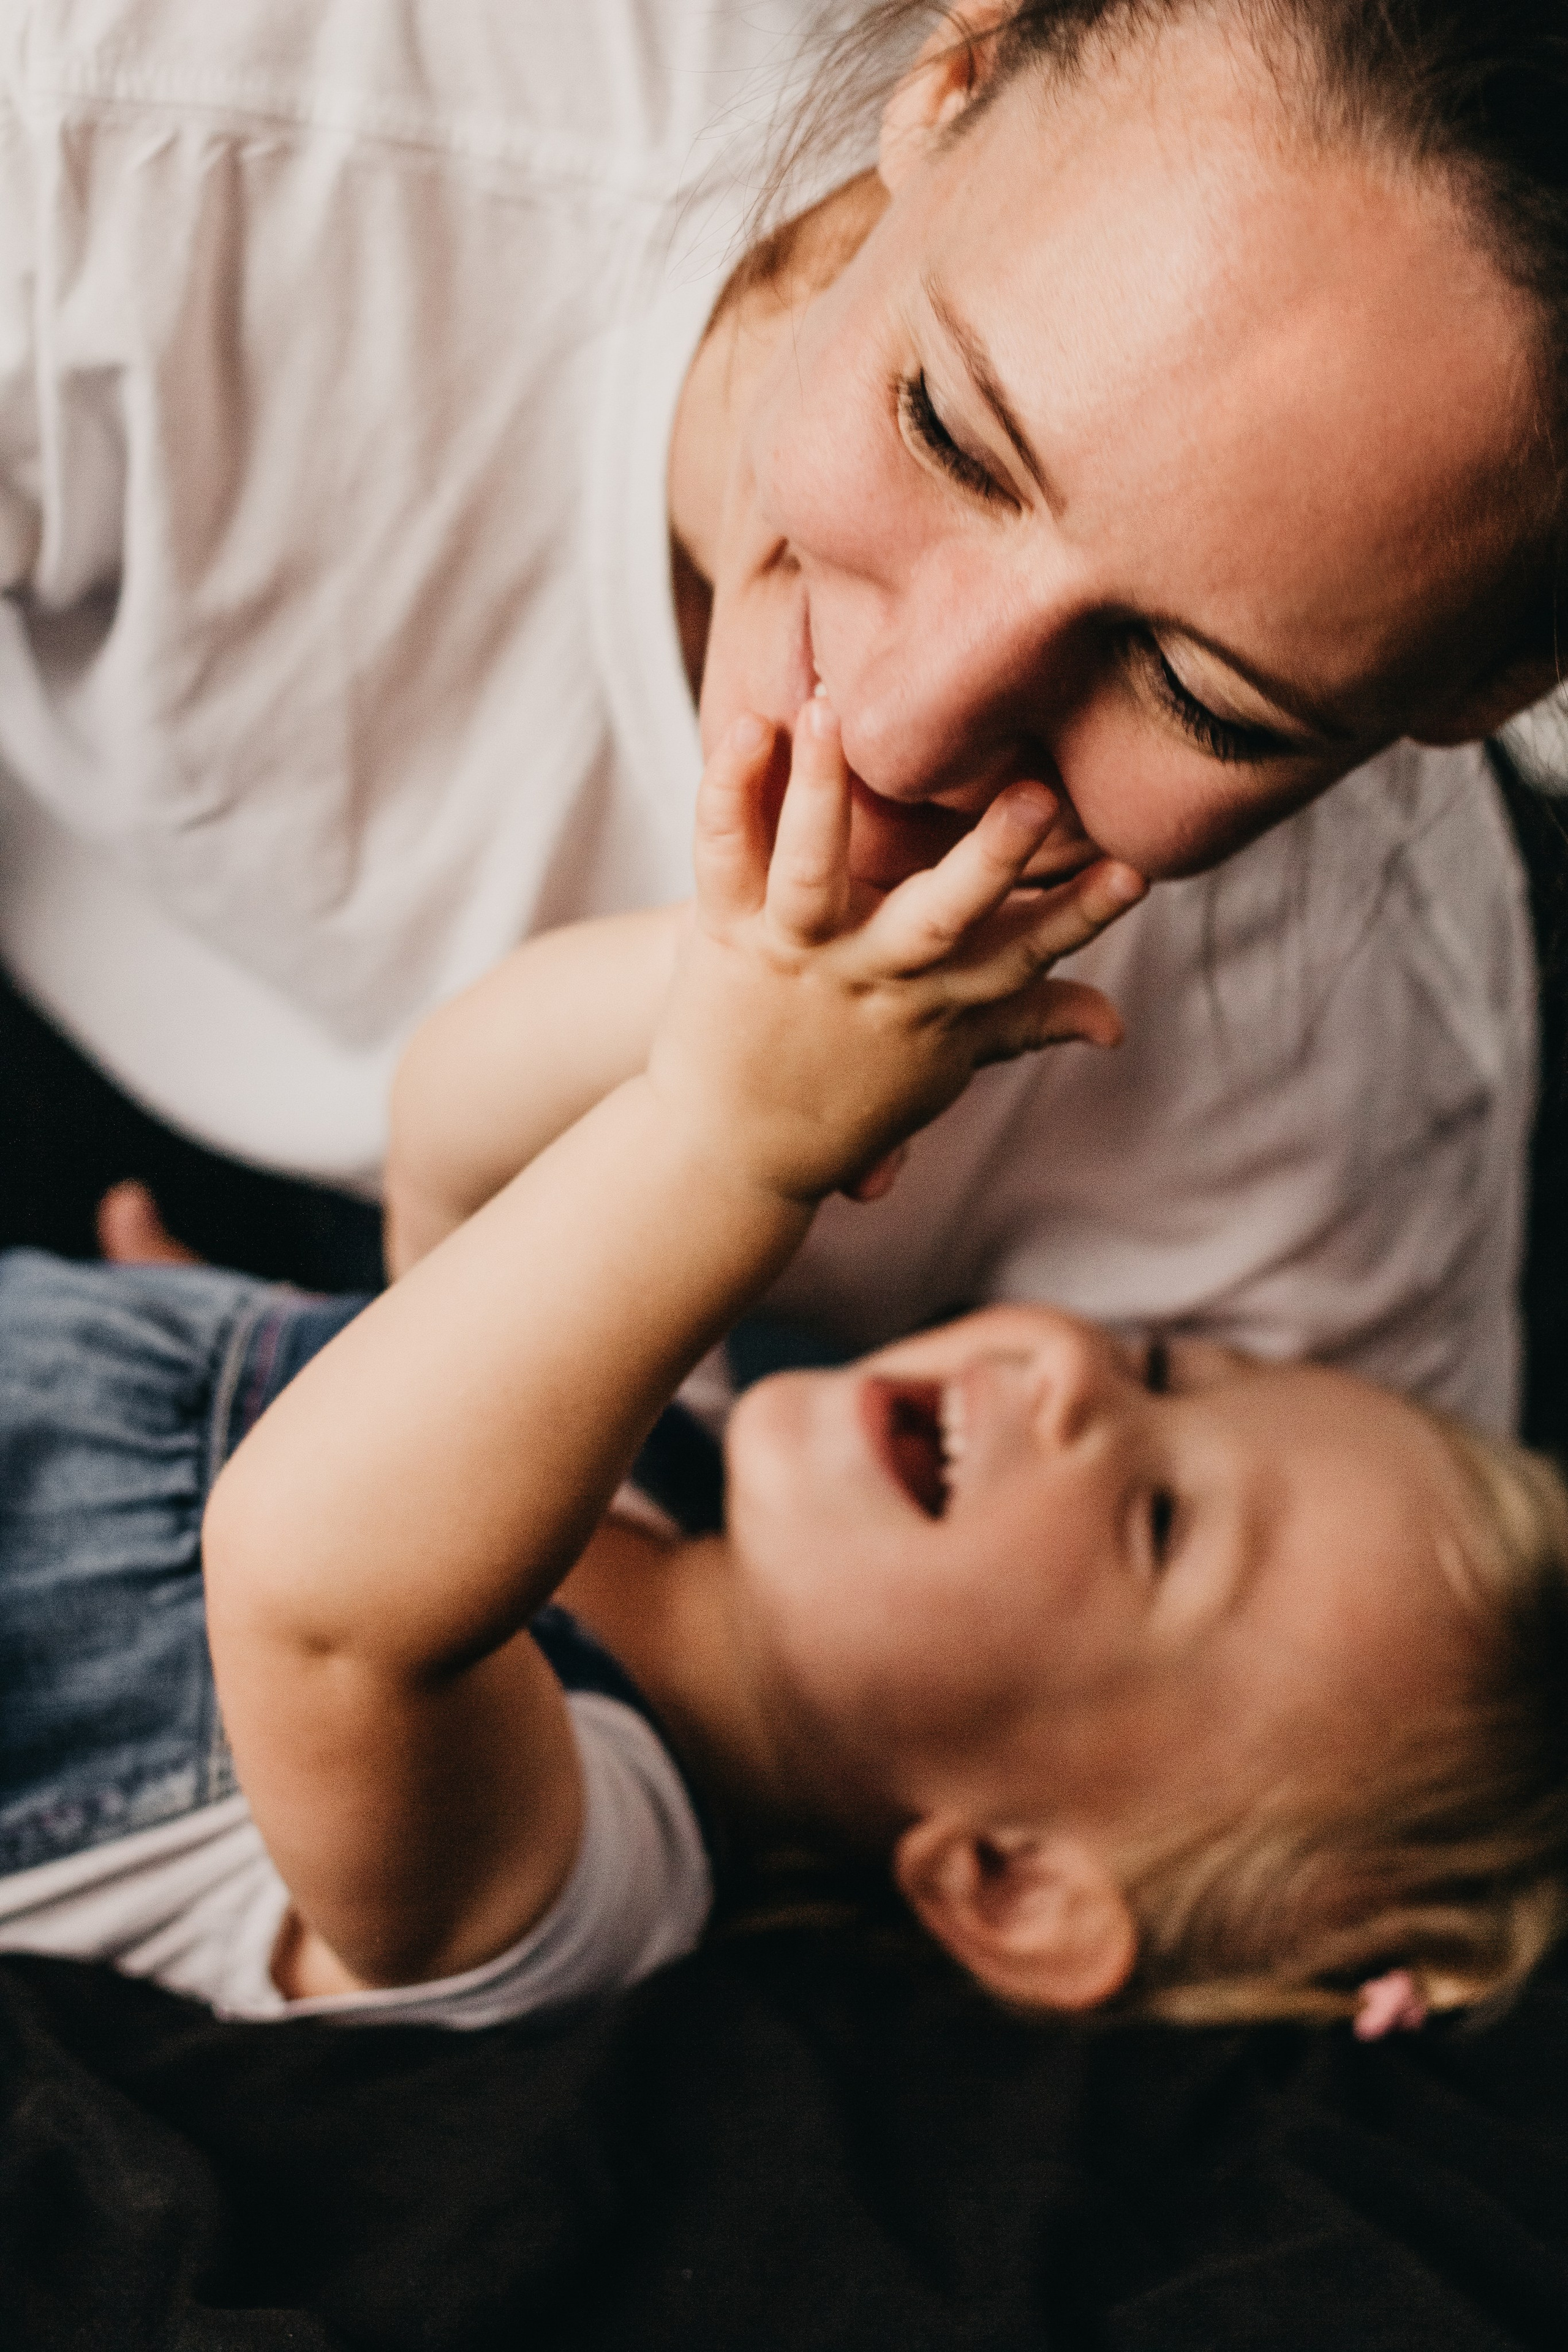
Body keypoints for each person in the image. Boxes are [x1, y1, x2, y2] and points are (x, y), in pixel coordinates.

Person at [0, 0, 1555, 1426]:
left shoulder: (1360, 1082)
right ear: (952, 74)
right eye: (946, 431)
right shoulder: (141, 118)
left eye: (1197, 697)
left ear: (1487, 690)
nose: (890, 734)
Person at [2, 701, 1564, 2033]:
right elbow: (452, 1140)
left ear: (1008, 1880)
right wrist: (766, 990)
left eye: (1159, 1521)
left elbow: (319, 1602)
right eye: (1163, 1364)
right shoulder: (662, 1454)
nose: (1079, 1376)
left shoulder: (588, 1886)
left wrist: (730, 1140)